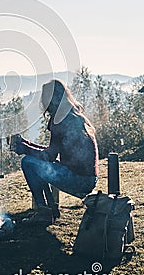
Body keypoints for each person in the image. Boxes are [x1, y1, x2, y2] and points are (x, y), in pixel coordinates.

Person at [11, 79, 99, 224]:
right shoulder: (76, 116)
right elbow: (50, 154)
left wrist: (24, 149)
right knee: (36, 164)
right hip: (89, 178)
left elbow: (48, 156)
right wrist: (25, 143)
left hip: (78, 180)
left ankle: (44, 212)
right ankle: (50, 209)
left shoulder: (59, 120)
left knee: (27, 162)